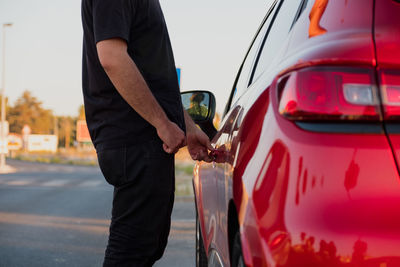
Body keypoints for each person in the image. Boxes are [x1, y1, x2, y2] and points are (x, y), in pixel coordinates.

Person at [81, 0, 212, 266]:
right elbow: (112, 58)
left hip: (144, 139)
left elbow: (154, 76)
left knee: (147, 247)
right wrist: (162, 123)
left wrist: (187, 127)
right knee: (130, 253)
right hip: (136, 138)